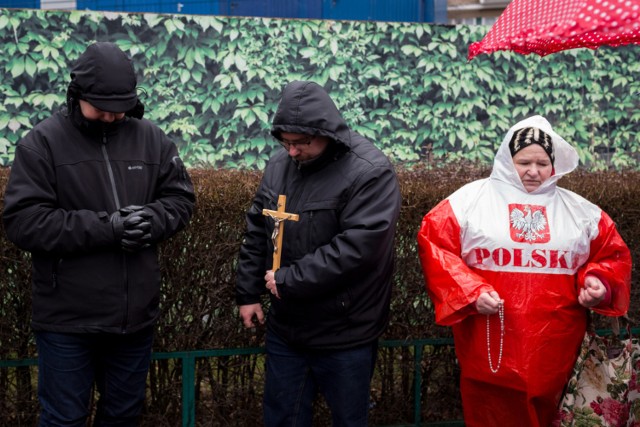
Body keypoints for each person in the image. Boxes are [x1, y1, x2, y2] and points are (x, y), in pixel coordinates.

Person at [2, 42, 195, 426]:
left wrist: (152, 220)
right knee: (64, 420)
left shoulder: (152, 138)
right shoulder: (42, 143)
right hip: (67, 321)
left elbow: (180, 200)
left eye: (119, 109)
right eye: (100, 108)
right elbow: (23, 221)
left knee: (122, 417)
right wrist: (107, 228)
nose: (110, 117)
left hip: (133, 320)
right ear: (77, 96)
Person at [417, 115, 631, 427]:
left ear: (554, 164)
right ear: (507, 159)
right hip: (490, 350)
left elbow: (611, 254)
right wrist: (471, 292)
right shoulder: (469, 202)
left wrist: (598, 282)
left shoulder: (582, 213)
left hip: (560, 356)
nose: (534, 171)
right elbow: (435, 243)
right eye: (524, 162)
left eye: (543, 163)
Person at [236, 80, 401, 426]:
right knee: (283, 418)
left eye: (301, 143)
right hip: (287, 328)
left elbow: (358, 248)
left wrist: (290, 279)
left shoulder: (370, 171)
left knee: (347, 420)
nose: (292, 152)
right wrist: (248, 293)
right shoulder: (279, 165)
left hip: (346, 330)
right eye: (285, 142)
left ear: (326, 132)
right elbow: (258, 228)